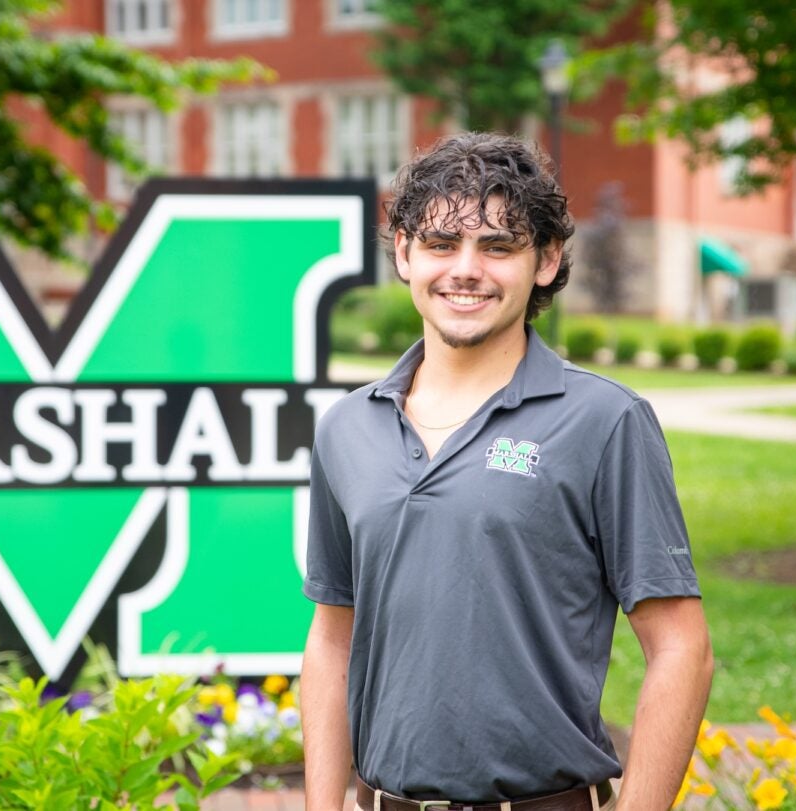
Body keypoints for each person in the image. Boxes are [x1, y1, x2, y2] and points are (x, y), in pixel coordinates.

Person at [301, 132, 713, 811]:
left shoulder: (605, 422)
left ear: (546, 261)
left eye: (497, 246)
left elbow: (681, 648)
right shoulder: (347, 428)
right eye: (440, 243)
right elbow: (331, 637)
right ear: (404, 254)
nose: (466, 269)